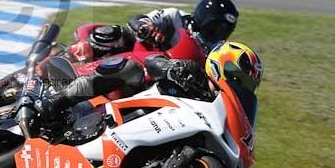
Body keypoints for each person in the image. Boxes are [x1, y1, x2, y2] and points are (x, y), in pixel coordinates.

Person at [36, 40, 262, 121]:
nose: (238, 85)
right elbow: (154, 61)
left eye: (245, 84)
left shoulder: (218, 111)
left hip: (151, 130)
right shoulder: (195, 73)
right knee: (132, 69)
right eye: (238, 78)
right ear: (221, 64)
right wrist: (172, 69)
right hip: (121, 109)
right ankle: (58, 100)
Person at [67, 0, 239, 62]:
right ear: (204, 18)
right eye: (216, 27)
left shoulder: (215, 51)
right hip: (139, 57)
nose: (219, 33)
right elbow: (136, 20)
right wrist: (146, 28)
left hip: (167, 82)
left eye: (225, 30)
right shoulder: (175, 16)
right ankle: (68, 57)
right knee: (118, 34)